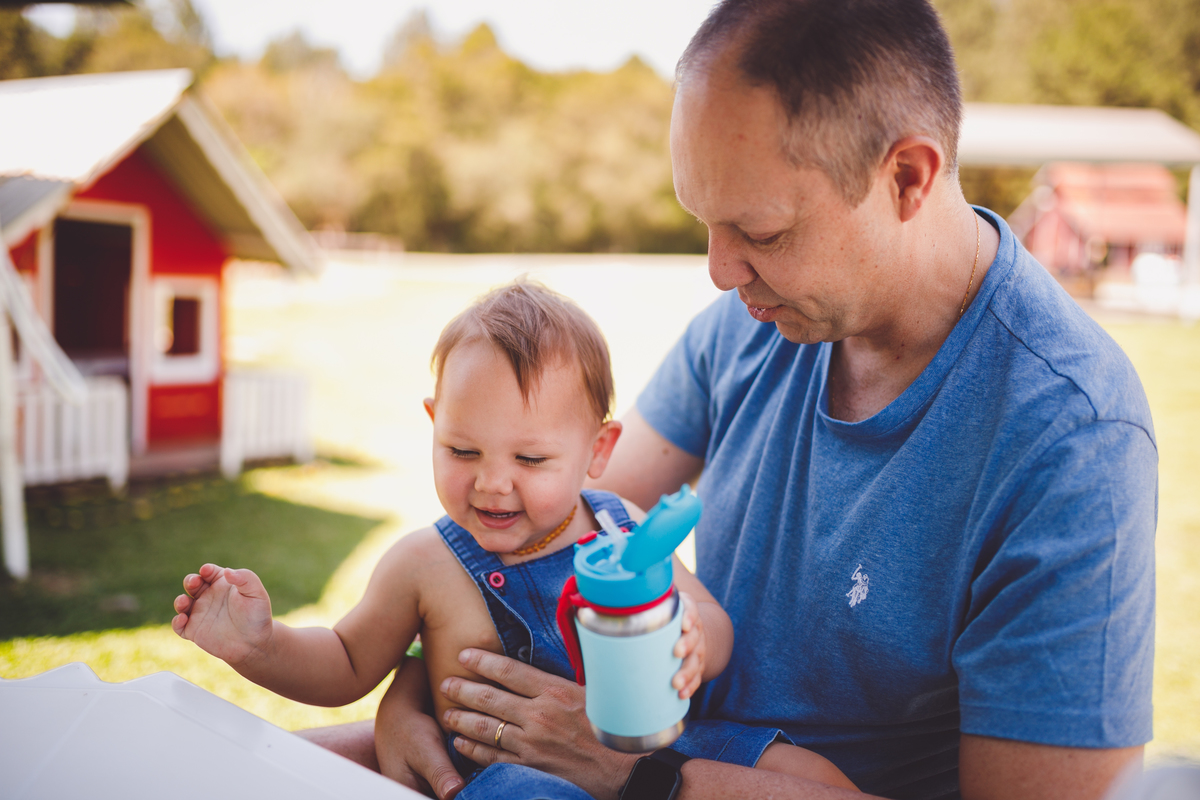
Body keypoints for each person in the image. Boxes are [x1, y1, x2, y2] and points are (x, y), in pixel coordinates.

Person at [353, 2, 1157, 800]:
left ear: (906, 178)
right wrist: (415, 692)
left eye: (762, 233)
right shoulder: (755, 324)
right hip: (623, 747)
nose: (719, 271)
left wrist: (649, 780)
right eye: (705, 224)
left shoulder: (1072, 436)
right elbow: (549, 535)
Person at [171, 281, 857, 794]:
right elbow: (347, 661)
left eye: (530, 461)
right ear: (433, 421)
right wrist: (260, 646)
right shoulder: (424, 563)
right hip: (510, 774)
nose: (493, 485)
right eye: (463, 451)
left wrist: (696, 639)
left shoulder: (620, 522)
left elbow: (704, 613)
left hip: (657, 749)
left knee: (807, 771)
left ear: (597, 450)